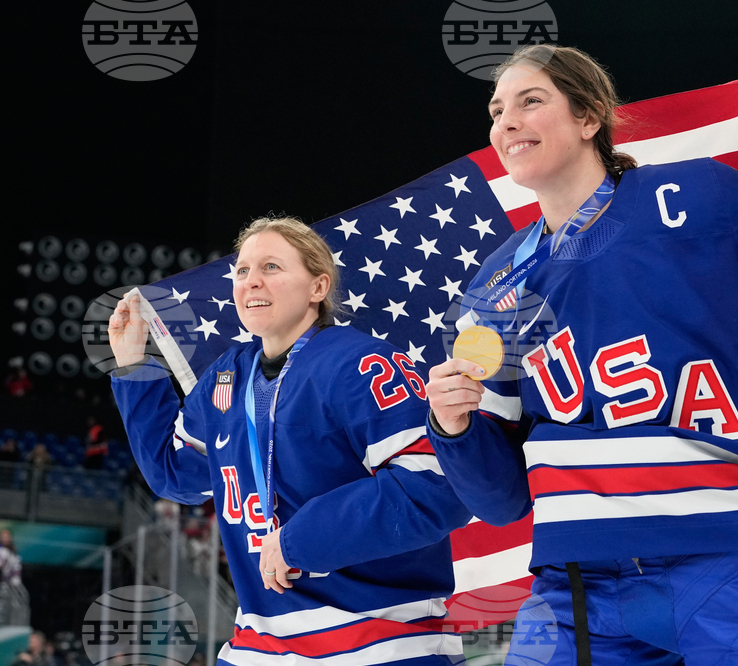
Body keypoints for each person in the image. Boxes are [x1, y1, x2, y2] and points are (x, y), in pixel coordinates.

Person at [426, 44, 738, 664]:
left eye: (530, 101)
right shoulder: (491, 292)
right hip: (578, 590)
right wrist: (453, 427)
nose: (507, 122)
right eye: (496, 110)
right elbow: (499, 502)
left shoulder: (699, 195)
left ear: (589, 117)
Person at [109, 216, 472, 664]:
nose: (251, 281)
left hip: (379, 638)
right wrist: (134, 370)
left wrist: (299, 540)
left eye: (271, 267)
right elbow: (173, 475)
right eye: (242, 271)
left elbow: (436, 488)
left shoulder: (362, 364)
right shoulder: (227, 376)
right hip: (258, 643)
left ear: (318, 287)